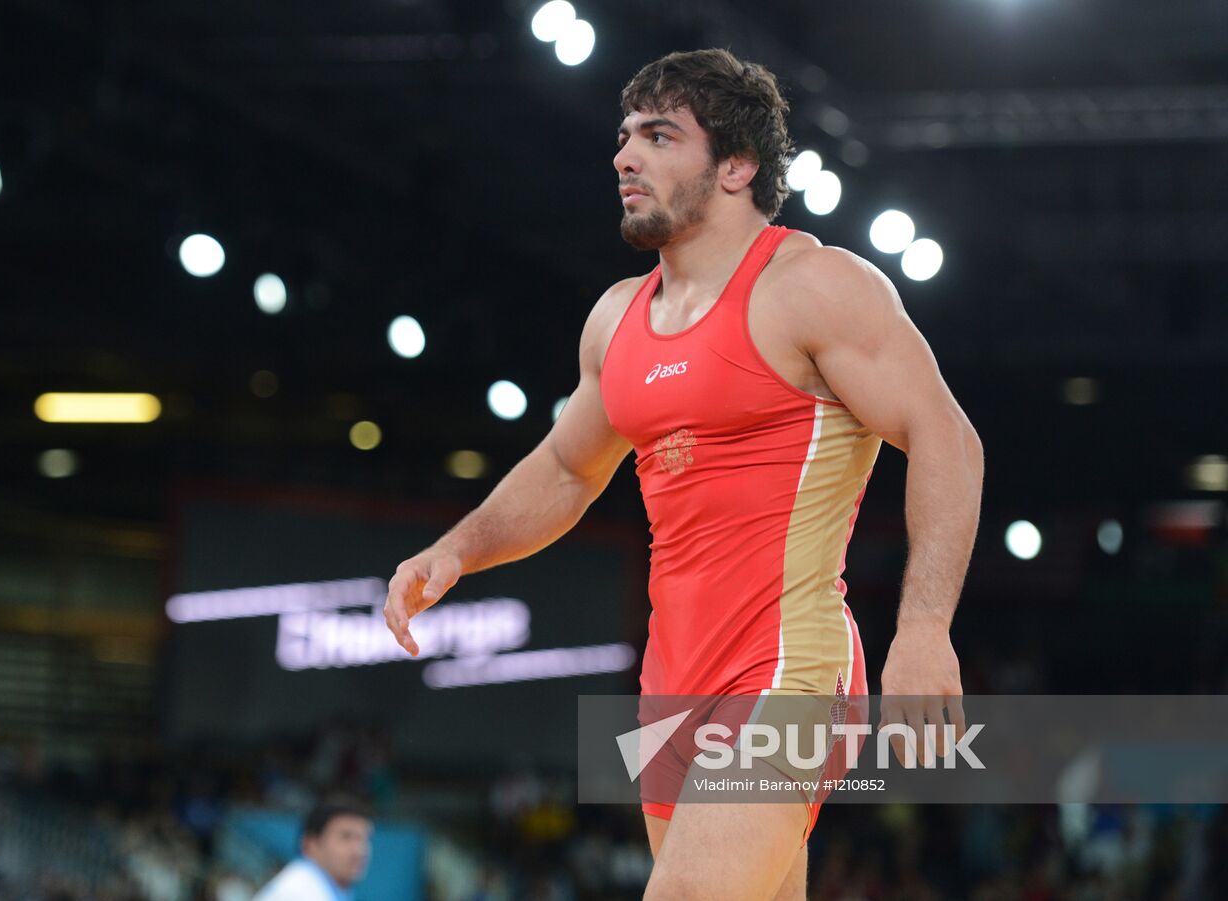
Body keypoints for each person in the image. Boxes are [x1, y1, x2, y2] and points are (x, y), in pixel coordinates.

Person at [384, 48, 983, 900]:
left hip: (786, 668)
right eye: (625, 135)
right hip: (672, 682)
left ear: (736, 166)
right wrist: (459, 547)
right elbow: (566, 467)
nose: (625, 157)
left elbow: (947, 437)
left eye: (659, 136)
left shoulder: (812, 286)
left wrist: (923, 627)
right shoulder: (616, 318)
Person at [253, 797, 372, 901]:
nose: (359, 851)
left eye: (363, 839)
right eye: (346, 837)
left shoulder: (326, 889)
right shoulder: (299, 893)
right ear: (311, 844)